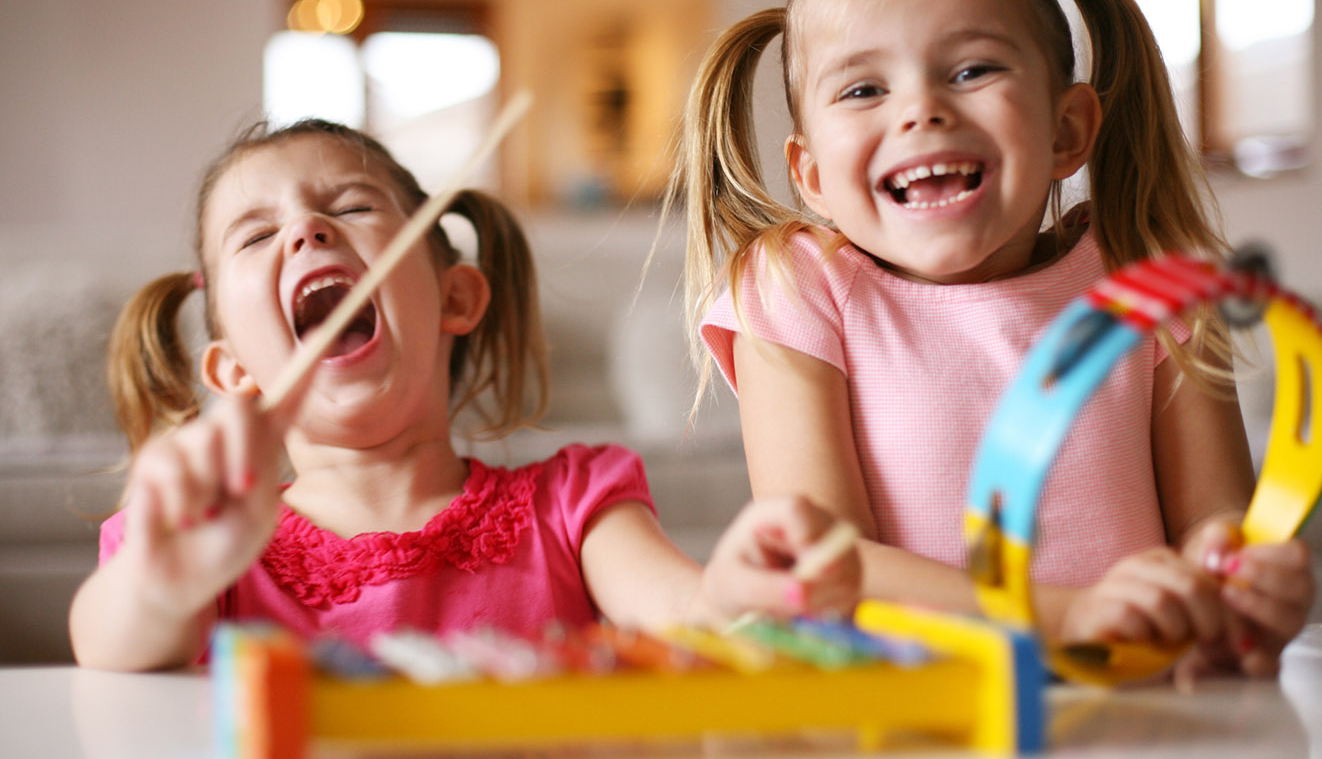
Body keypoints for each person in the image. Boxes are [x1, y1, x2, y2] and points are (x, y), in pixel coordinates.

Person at [666, 0, 1312, 677]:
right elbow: (827, 567)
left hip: (1142, 712)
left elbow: (1215, 517)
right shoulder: (795, 289)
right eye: (865, 88)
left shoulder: (1148, 276)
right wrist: (1067, 616)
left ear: (1066, 131)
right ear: (812, 178)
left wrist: (1237, 575)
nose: (921, 110)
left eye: (973, 70)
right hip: (919, 729)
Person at [69, 119, 858, 672]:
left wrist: (735, 591)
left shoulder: (575, 502)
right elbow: (108, 644)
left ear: (455, 299)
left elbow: (685, 609)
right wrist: (159, 581)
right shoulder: (196, 542)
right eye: (254, 234)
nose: (307, 229)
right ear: (234, 371)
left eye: (349, 207)